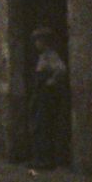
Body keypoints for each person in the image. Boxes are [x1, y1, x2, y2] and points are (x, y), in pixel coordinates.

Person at [27, 27, 69, 169]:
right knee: (38, 125)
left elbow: (61, 69)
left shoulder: (51, 55)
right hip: (40, 93)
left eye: (38, 41)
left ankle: (46, 161)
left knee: (44, 125)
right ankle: (40, 159)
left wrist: (52, 81)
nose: (36, 44)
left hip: (46, 95)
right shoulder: (43, 56)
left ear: (44, 41)